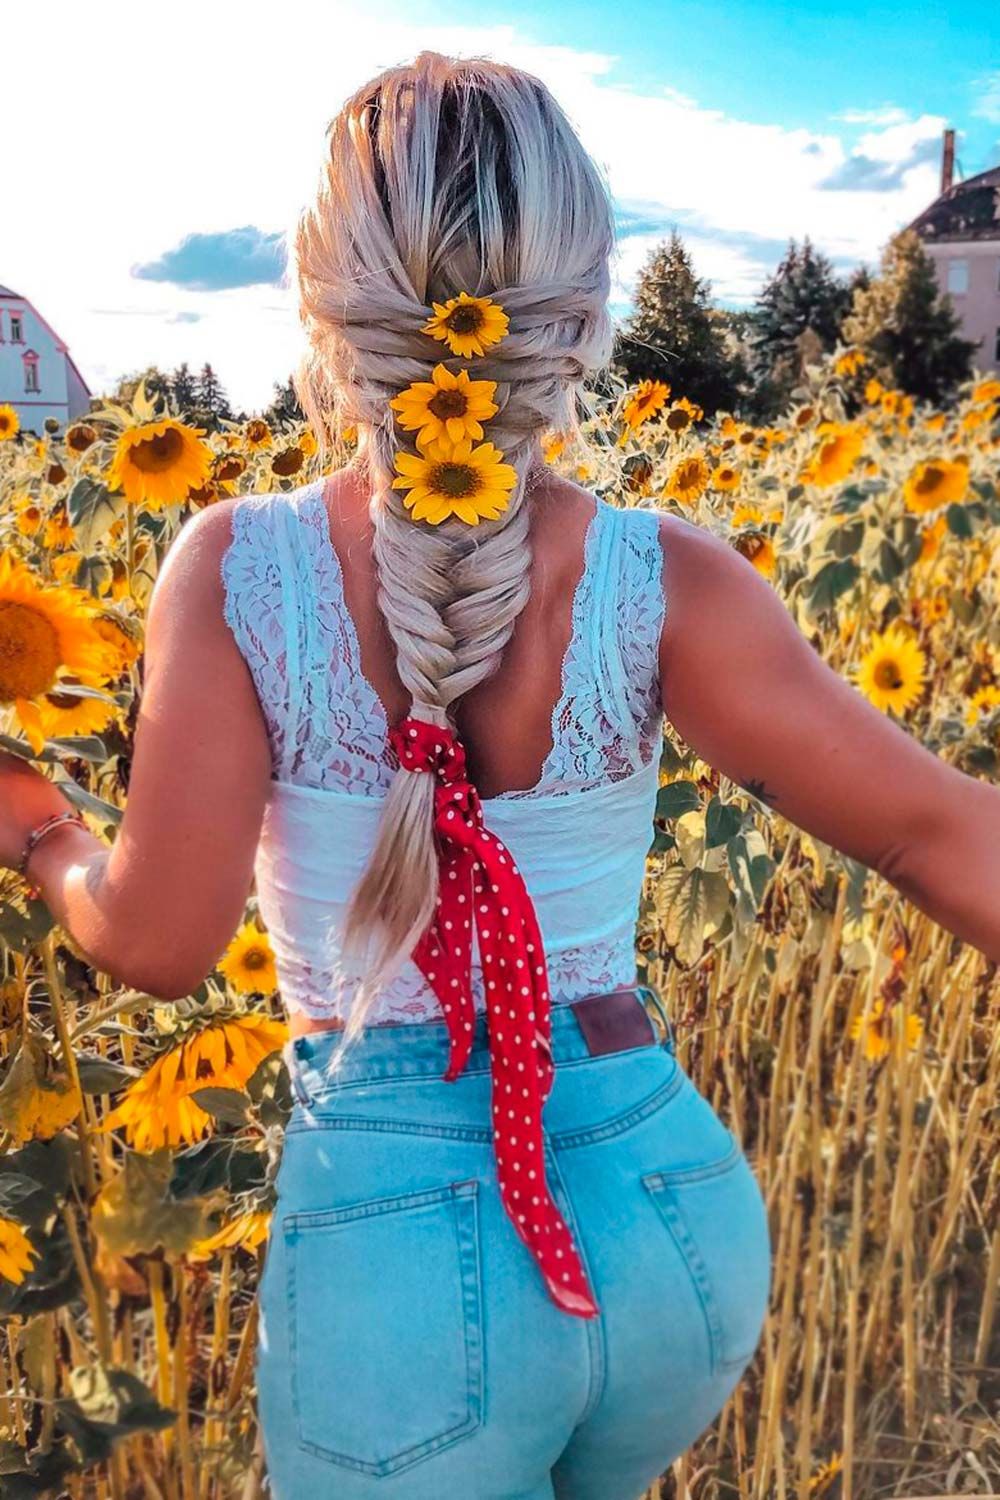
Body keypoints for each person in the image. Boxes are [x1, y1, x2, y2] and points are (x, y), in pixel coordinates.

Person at [2, 49, 998, 1500]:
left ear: (317, 306)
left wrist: (39, 830)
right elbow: (943, 836)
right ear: (581, 318)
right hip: (670, 1216)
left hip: (395, 1256)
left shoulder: (241, 567)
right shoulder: (675, 584)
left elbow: (156, 941)